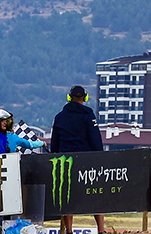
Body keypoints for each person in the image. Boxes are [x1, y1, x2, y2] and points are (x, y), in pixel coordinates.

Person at [51, 85, 105, 234]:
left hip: (65, 161)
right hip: (86, 160)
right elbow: (95, 138)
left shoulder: (60, 117)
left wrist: (55, 156)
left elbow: (55, 142)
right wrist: (99, 156)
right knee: (95, 194)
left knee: (67, 196)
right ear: (84, 98)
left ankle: (69, 230)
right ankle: (101, 229)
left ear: (69, 97)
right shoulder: (88, 114)